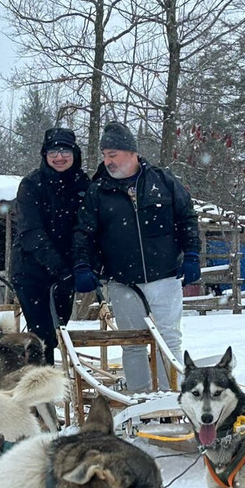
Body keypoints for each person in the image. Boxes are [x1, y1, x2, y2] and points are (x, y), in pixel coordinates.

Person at [72, 121, 200, 392]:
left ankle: (170, 396)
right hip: (123, 280)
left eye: (113, 154)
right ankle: (140, 398)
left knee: (169, 339)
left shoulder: (162, 181)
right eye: (105, 155)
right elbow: (85, 233)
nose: (107, 161)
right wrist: (84, 265)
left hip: (165, 276)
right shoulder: (98, 191)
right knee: (132, 343)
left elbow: (187, 218)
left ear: (132, 153)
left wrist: (191, 253)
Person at [10, 127, 91, 364]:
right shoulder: (31, 184)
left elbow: (87, 228)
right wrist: (59, 268)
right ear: (45, 155)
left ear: (75, 154)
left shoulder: (83, 185)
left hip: (66, 270)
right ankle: (40, 379)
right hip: (31, 270)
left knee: (59, 330)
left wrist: (83, 263)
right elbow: (31, 232)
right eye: (53, 152)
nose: (59, 157)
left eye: (65, 151)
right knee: (41, 335)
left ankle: (52, 375)